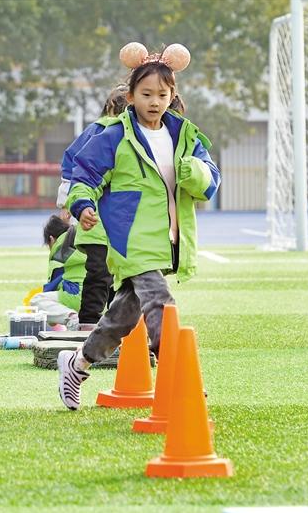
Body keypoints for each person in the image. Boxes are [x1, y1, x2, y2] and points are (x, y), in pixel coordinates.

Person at [58, 43, 220, 410]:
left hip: (167, 238)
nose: (154, 101)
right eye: (146, 94)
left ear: (172, 96)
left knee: (124, 315)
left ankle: (78, 363)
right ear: (130, 96)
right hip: (130, 237)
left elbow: (210, 181)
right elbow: (84, 175)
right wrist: (83, 205)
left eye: (162, 94)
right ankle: (178, 377)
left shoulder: (185, 136)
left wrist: (191, 171)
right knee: (160, 302)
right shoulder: (114, 135)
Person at [58, 86, 187, 331]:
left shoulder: (153, 136)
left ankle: (111, 331)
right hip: (98, 224)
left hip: (127, 228)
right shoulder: (104, 131)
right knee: (101, 275)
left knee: (119, 280)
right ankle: (90, 324)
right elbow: (77, 167)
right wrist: (72, 203)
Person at [29, 215, 87, 330]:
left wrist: (54, 317)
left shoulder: (59, 253)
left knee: (37, 301)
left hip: (77, 297)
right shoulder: (82, 240)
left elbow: (51, 290)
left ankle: (72, 319)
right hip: (100, 297)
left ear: (51, 239)